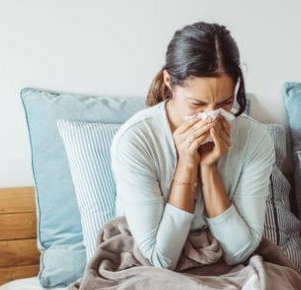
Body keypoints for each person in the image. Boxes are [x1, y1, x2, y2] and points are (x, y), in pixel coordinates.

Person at [111, 21, 274, 270]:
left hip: (227, 268)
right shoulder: (136, 141)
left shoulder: (255, 139)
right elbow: (160, 259)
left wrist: (209, 170)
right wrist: (187, 165)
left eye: (225, 103)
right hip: (148, 270)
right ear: (169, 81)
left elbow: (239, 251)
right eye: (197, 104)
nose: (211, 116)